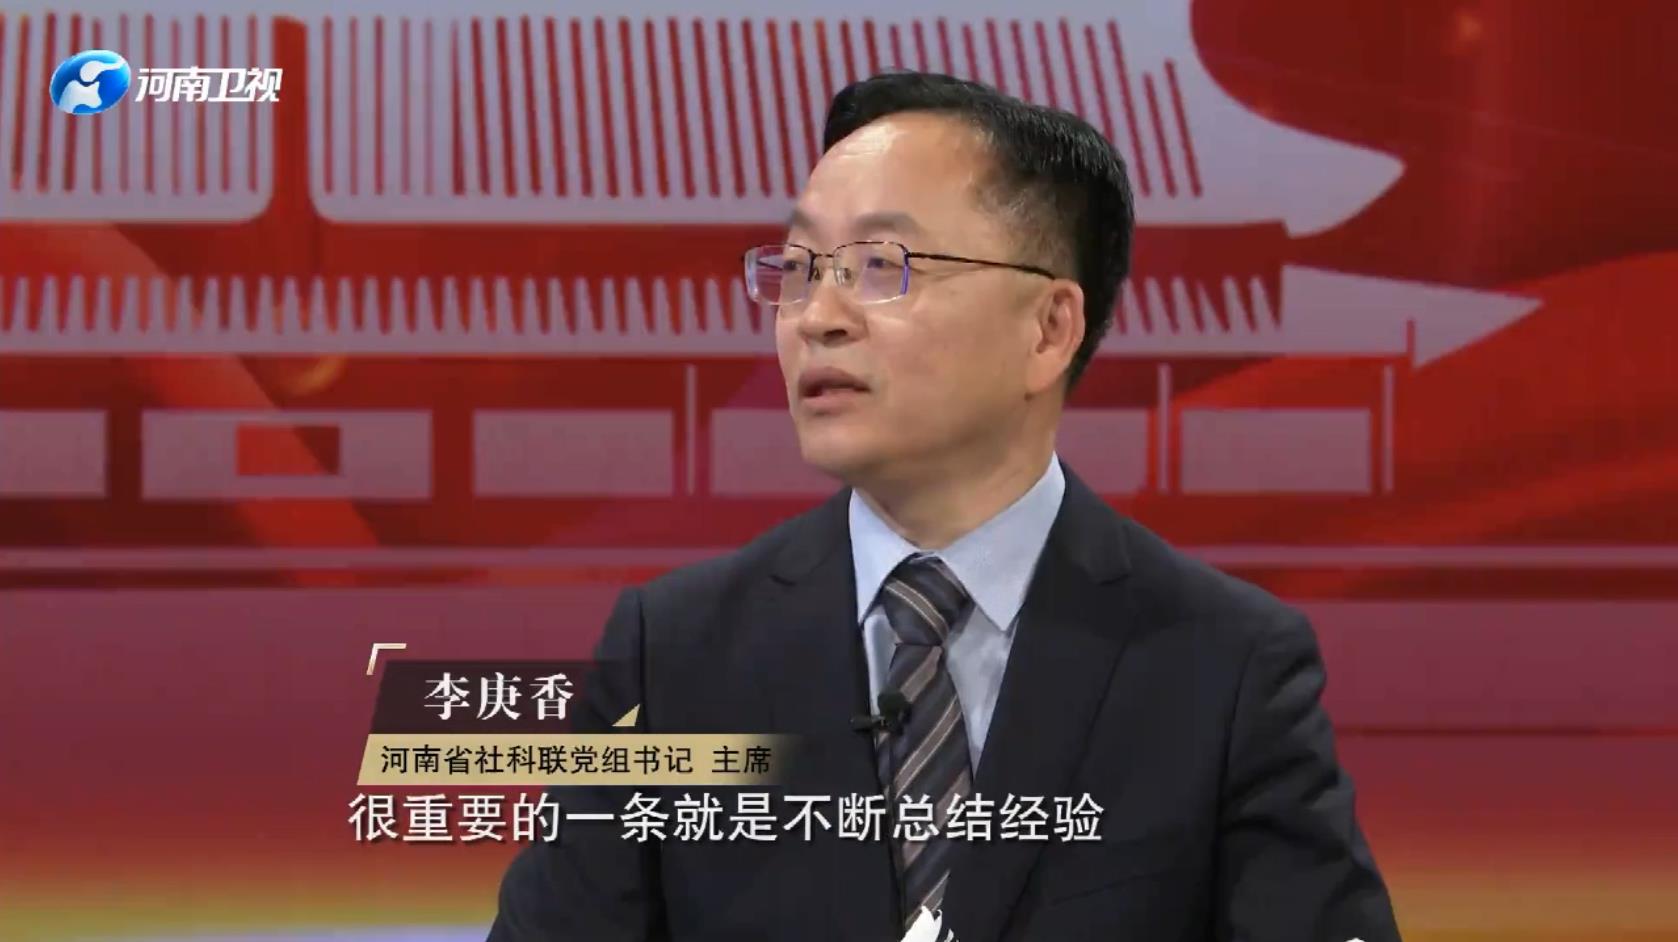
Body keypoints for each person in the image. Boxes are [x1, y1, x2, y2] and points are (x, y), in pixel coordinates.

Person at [488, 70, 1400, 942]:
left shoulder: (1227, 667)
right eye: (799, 267)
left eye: (880, 265)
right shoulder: (672, 655)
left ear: (1048, 329)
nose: (817, 316)